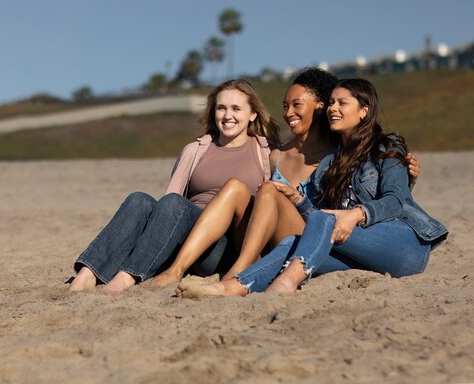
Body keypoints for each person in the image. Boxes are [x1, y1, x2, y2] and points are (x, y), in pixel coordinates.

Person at [177, 78, 447, 298]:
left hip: (403, 246)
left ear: (364, 110)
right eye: (331, 102)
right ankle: (235, 285)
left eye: (342, 103)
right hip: (357, 253)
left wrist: (356, 214)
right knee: (293, 244)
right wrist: (298, 199)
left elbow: (397, 201)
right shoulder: (330, 162)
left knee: (324, 219)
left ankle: (286, 283)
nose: (333, 108)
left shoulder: (386, 146)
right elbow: (314, 219)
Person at [67, 79, 280, 294]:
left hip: (223, 247)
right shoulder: (195, 150)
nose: (227, 115)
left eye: (236, 108)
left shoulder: (265, 153)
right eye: (221, 108)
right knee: (138, 200)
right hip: (186, 237)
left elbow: (273, 205)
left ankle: (128, 276)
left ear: (252, 114)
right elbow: (172, 198)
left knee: (173, 204)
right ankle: (88, 273)